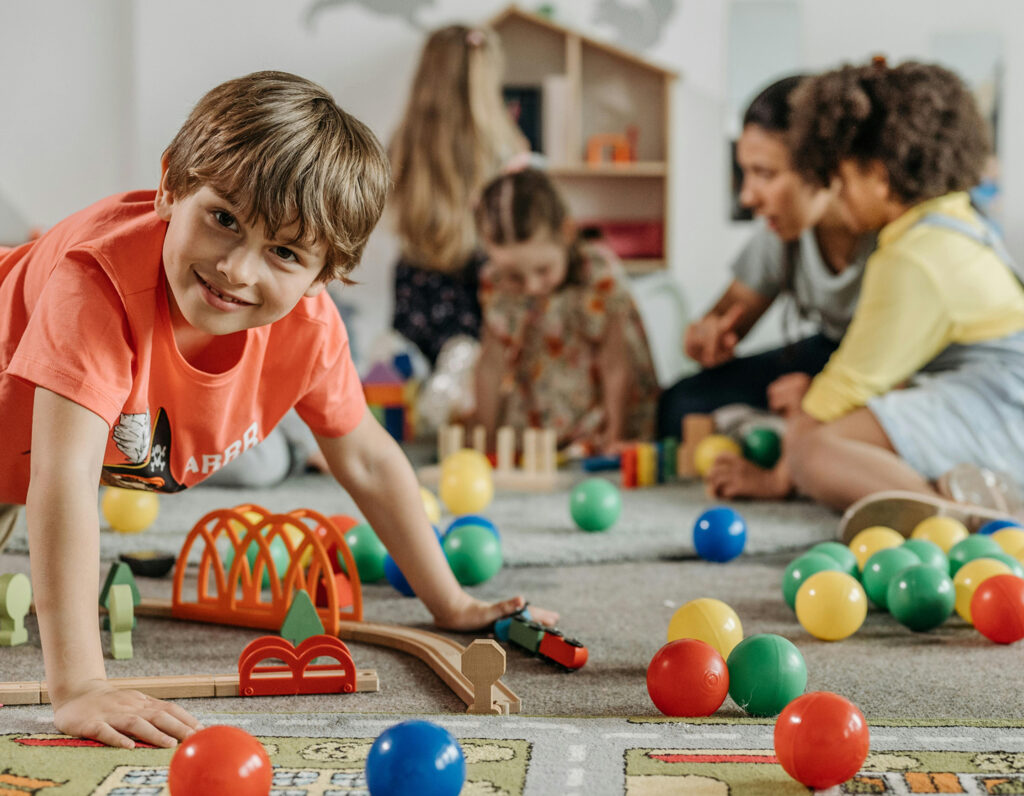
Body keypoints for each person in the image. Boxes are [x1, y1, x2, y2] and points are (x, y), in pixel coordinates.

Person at [0, 71, 555, 750]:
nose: (237, 269)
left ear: (325, 276)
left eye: (284, 252)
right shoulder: (95, 285)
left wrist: (451, 602)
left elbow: (368, 459)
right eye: (223, 219)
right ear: (171, 185)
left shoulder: (309, 330)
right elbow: (63, 476)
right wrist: (81, 685)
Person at [779, 59, 1024, 512]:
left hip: (1004, 412)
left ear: (879, 175)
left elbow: (844, 388)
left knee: (813, 451)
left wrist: (781, 473)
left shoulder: (913, 257)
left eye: (842, 180)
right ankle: (965, 489)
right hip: (998, 401)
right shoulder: (956, 221)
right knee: (857, 428)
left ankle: (958, 519)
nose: (837, 195)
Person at [655, 76, 876, 497]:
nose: (747, 197)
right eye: (745, 173)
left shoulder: (891, 237)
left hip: (892, 371)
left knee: (843, 419)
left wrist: (822, 399)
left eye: (765, 173)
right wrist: (706, 334)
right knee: (680, 403)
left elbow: (899, 370)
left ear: (824, 167)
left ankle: (796, 448)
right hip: (829, 350)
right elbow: (730, 313)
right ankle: (786, 435)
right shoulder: (783, 232)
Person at [471, 168, 659, 453]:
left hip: (598, 414)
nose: (532, 287)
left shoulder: (597, 274)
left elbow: (615, 365)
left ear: (567, 233)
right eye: (514, 276)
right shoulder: (496, 283)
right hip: (536, 416)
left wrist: (615, 435)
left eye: (543, 270)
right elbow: (490, 365)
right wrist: (485, 438)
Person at [388, 24, 528, 366]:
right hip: (481, 281)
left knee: (415, 384)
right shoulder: (505, 147)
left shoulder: (404, 142)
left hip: (416, 279)